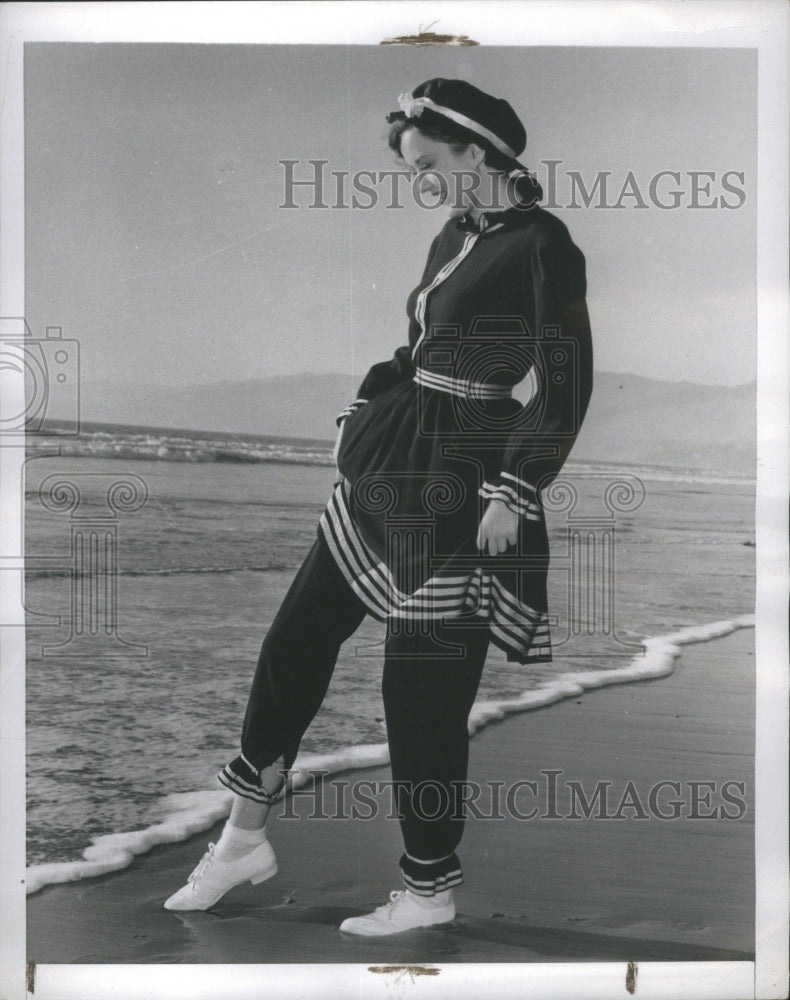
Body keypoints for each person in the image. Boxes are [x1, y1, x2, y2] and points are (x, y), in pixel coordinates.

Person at [164, 77, 593, 936]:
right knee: (295, 640)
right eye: (412, 169)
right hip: (393, 459)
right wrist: (362, 413)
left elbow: (566, 375)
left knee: (419, 695)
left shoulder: (546, 244)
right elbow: (418, 349)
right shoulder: (451, 235)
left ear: (478, 151)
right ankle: (242, 837)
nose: (422, 182)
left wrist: (518, 486)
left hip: (466, 485)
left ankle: (428, 889)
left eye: (430, 164)